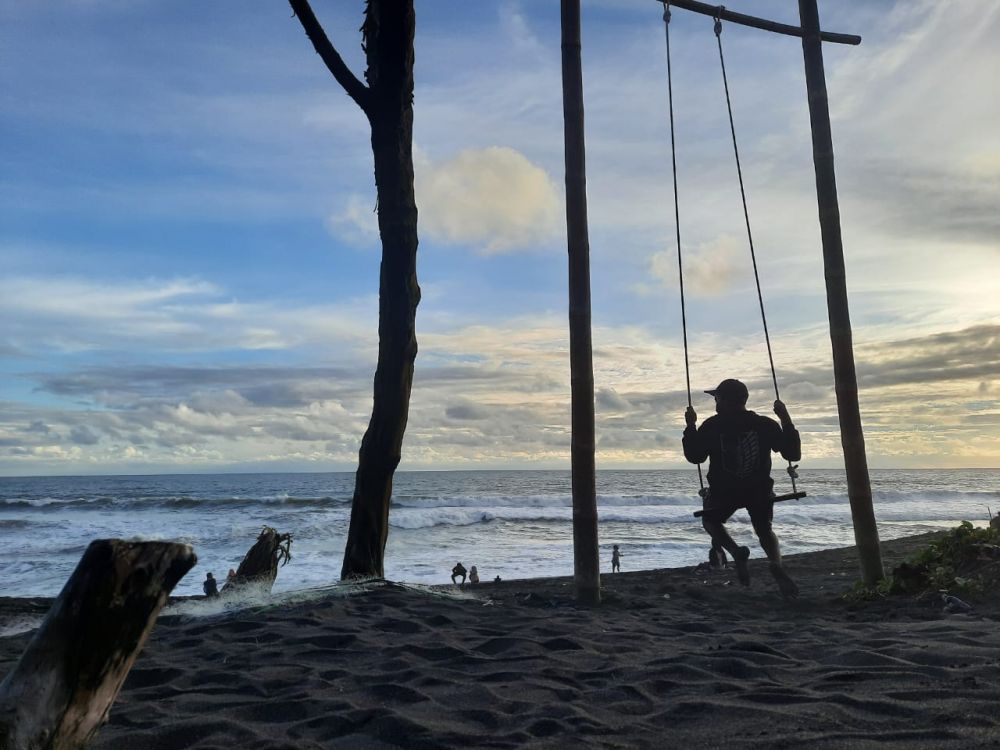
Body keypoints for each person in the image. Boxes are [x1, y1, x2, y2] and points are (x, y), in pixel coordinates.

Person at [683, 378, 801, 598]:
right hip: (759, 489)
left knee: (710, 521)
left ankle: (736, 552)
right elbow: (792, 454)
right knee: (764, 529)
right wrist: (785, 418)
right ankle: (776, 563)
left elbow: (695, 456)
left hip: (723, 491)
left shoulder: (712, 426)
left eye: (717, 397)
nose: (715, 402)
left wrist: (690, 425)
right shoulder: (765, 424)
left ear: (724, 400)